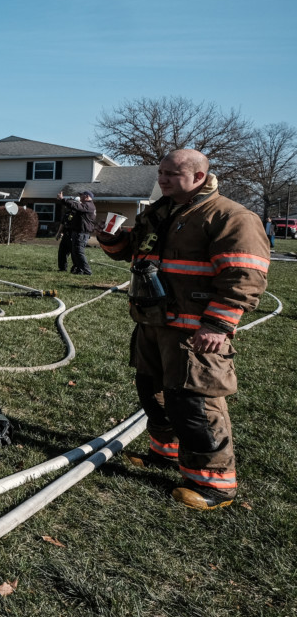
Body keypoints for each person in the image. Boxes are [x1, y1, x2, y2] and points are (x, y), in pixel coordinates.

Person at [97, 149, 269, 510]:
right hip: (153, 322)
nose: (162, 179)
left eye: (172, 174)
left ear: (199, 177)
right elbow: (136, 254)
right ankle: (165, 454)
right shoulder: (158, 213)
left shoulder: (230, 217)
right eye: (161, 172)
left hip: (195, 331)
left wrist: (217, 324)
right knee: (153, 393)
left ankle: (215, 485)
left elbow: (244, 276)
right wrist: (113, 239)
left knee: (195, 404)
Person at [56, 190, 97, 275]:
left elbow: (76, 206)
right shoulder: (86, 206)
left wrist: (63, 199)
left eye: (82, 195)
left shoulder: (88, 205)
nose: (80, 197)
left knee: (79, 252)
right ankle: (79, 270)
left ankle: (86, 271)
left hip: (81, 233)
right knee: (76, 252)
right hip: (78, 233)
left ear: (87, 196)